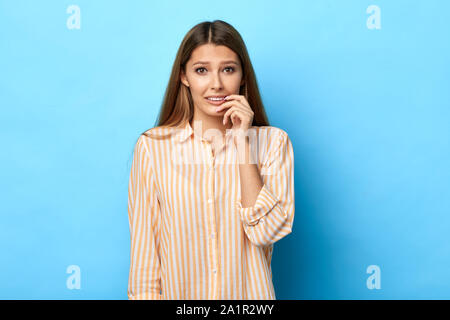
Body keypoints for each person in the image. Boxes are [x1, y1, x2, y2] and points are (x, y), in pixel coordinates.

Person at [127, 20, 295, 300]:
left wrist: (242, 142)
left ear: (242, 76)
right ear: (184, 76)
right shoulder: (152, 148)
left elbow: (266, 232)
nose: (216, 84)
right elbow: (145, 259)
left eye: (228, 69)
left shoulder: (273, 143)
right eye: (201, 70)